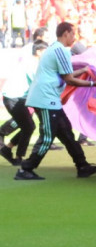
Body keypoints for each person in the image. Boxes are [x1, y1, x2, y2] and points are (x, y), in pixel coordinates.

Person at [15, 22, 96, 180]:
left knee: (67, 133)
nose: (74, 38)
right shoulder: (60, 50)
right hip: (46, 100)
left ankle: (82, 166)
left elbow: (65, 74)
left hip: (50, 99)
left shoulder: (55, 49)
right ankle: (25, 169)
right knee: (48, 137)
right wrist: (92, 84)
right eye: (73, 34)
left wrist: (83, 70)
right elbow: (69, 79)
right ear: (66, 33)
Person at [1, 36, 46, 165]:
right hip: (14, 98)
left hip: (15, 97)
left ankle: (8, 149)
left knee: (28, 126)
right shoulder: (33, 64)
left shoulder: (30, 62)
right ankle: (18, 156)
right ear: (39, 52)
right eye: (46, 51)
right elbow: (38, 84)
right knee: (28, 127)